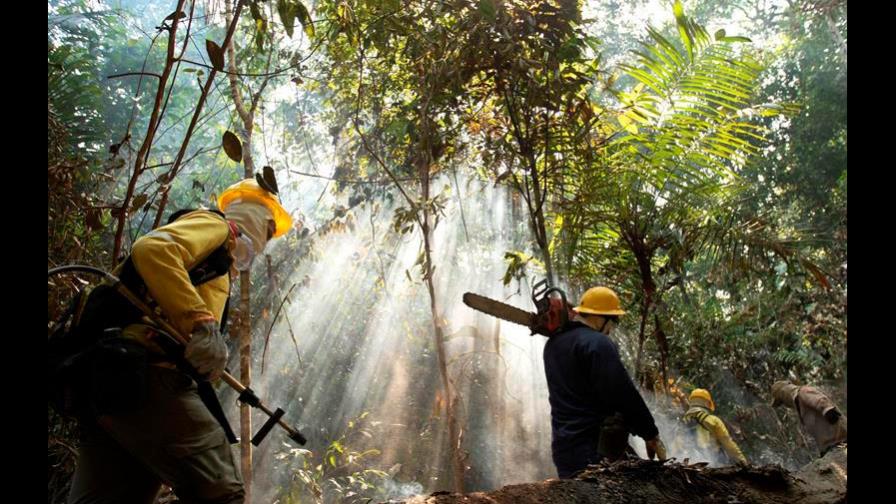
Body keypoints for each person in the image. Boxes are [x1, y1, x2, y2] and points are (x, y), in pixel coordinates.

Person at [67, 177, 292, 504]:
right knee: (221, 491)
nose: (266, 241)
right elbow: (153, 249)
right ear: (256, 218)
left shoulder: (214, 264)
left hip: (111, 382)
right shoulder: (217, 228)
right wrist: (201, 321)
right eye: (269, 230)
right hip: (149, 376)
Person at [543, 286, 666, 478]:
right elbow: (622, 394)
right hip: (594, 449)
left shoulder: (552, 345)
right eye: (613, 321)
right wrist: (650, 433)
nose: (612, 328)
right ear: (600, 318)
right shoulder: (598, 343)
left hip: (564, 449)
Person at [771, 380, 847, 457]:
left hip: (839, 439)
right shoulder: (799, 404)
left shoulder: (803, 392)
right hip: (829, 445)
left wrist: (828, 410)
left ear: (784, 394)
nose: (785, 404)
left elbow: (820, 400)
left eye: (782, 401)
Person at [682, 388, 748, 465]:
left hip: (685, 465)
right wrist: (743, 461)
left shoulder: (681, 422)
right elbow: (728, 444)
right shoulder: (713, 420)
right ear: (707, 403)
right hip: (711, 464)